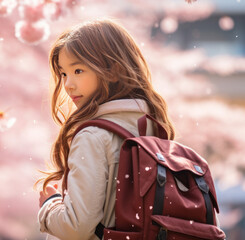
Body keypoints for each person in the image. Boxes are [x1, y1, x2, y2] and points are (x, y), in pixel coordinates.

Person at [36, 19, 176, 240]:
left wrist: (49, 206)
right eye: (63, 73)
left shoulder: (93, 136)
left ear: (113, 71)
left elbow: (77, 227)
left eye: (78, 70)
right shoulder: (154, 127)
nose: (68, 84)